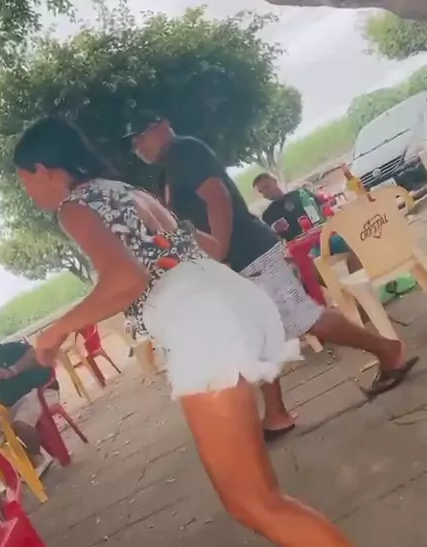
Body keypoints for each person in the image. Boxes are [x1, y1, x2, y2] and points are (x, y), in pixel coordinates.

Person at [12, 115, 427, 547]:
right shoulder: (125, 190)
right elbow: (199, 247)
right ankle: (300, 544)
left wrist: (54, 333)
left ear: (43, 169)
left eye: (25, 182)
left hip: (200, 323)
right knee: (257, 494)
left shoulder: (74, 207)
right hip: (226, 296)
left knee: (251, 502)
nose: (30, 194)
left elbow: (125, 281)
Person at [128, 119, 417, 428]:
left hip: (247, 253)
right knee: (260, 335)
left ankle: (388, 351)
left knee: (303, 317)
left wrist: (219, 253)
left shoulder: (185, 151)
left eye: (139, 137)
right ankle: (276, 414)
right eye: (132, 144)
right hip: (237, 260)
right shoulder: (169, 170)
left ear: (161, 127)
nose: (137, 147)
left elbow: (218, 199)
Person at [0, 330, 55, 469]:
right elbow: (0, 395)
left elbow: (34, 354)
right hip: (16, 401)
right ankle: (30, 460)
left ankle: (38, 457)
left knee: (20, 424)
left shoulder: (11, 349)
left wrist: (13, 370)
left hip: (41, 390)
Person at [253, 171, 353, 260]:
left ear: (275, 181)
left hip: (323, 233)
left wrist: (330, 207)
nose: (265, 192)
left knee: (347, 236)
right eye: (261, 191)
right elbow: (275, 243)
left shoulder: (300, 194)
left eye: (266, 186)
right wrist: (275, 232)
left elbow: (324, 207)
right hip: (303, 249)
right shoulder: (268, 215)